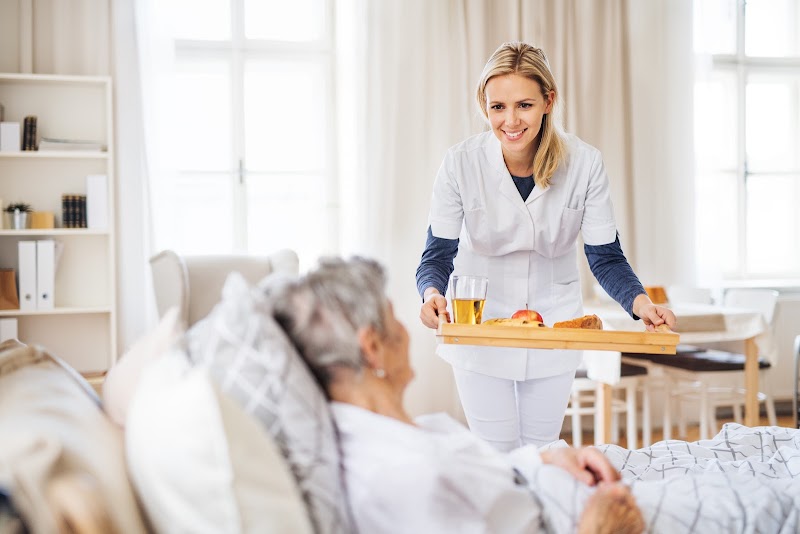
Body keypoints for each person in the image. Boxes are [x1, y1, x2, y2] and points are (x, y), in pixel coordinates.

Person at [269, 256, 800, 534]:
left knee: (751, 446)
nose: (407, 328)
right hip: (595, 513)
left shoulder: (389, 434)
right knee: (779, 497)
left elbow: (492, 477)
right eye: (393, 318)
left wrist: (550, 456)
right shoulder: (401, 477)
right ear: (371, 347)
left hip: (572, 476)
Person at [415, 41, 677, 450]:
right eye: (497, 107)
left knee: (542, 452)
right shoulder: (460, 163)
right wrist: (431, 293)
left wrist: (642, 305)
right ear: (484, 106)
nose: (510, 120)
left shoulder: (584, 163)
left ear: (548, 101)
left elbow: (605, 256)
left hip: (554, 321)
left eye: (524, 105)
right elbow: (437, 254)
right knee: (497, 453)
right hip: (480, 325)